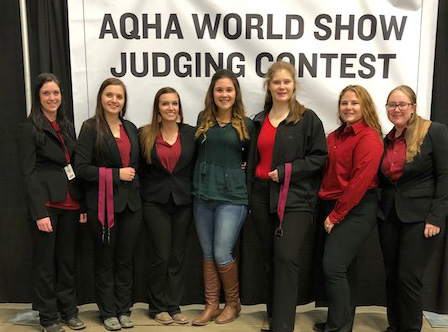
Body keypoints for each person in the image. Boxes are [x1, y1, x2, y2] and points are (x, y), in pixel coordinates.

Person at [246, 61, 328, 332]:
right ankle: (274, 318)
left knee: (285, 257)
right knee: (269, 259)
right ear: (268, 86)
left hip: (295, 199)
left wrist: (287, 171)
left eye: (287, 82)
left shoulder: (308, 119)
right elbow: (254, 156)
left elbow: (319, 158)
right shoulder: (259, 119)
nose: (282, 87)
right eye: (276, 82)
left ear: (294, 85)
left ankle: (283, 325)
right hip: (260, 196)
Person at [18, 73, 86, 332]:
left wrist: (81, 205)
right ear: (38, 97)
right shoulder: (29, 128)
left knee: (67, 262)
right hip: (46, 206)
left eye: (56, 93)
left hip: (70, 203)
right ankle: (48, 317)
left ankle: (69, 311)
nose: (52, 98)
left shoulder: (67, 125)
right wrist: (39, 213)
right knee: (45, 265)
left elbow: (73, 166)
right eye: (46, 93)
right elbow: (28, 173)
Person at [378, 85, 448, 332]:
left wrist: (436, 217)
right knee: (392, 276)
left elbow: (445, 176)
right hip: (389, 216)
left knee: (408, 277)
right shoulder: (387, 139)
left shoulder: (434, 131)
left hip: (421, 218)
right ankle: (394, 326)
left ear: (414, 107)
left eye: (402, 104)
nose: (396, 109)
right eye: (392, 105)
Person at [314, 85, 384, 332]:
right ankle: (340, 322)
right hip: (334, 205)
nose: (349, 107)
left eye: (354, 103)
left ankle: (338, 328)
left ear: (364, 106)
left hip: (357, 207)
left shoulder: (369, 137)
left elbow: (360, 182)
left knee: (333, 266)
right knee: (344, 268)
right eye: (344, 103)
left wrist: (336, 215)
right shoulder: (333, 137)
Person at [75, 78, 142, 331]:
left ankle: (124, 309)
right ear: (101, 98)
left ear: (124, 101)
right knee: (105, 260)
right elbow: (80, 168)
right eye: (109, 95)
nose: (114, 100)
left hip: (131, 206)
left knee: (126, 260)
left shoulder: (131, 127)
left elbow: (136, 167)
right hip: (101, 206)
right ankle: (108, 311)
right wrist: (116, 175)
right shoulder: (91, 128)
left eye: (119, 96)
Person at [191, 69, 254, 326]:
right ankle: (211, 305)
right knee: (207, 253)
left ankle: (232, 303)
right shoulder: (202, 120)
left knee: (221, 252)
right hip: (202, 195)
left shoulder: (247, 124)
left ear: (235, 93)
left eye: (229, 90)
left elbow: (251, 160)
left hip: (232, 198)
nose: (224, 94)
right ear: (212, 93)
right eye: (219, 90)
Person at [138, 87, 196, 325]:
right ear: (157, 108)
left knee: (177, 256)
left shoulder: (192, 134)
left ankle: (174, 305)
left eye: (174, 103)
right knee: (160, 255)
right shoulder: (145, 134)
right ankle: (157, 307)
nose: (170, 108)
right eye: (165, 104)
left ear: (179, 107)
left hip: (183, 202)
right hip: (154, 202)